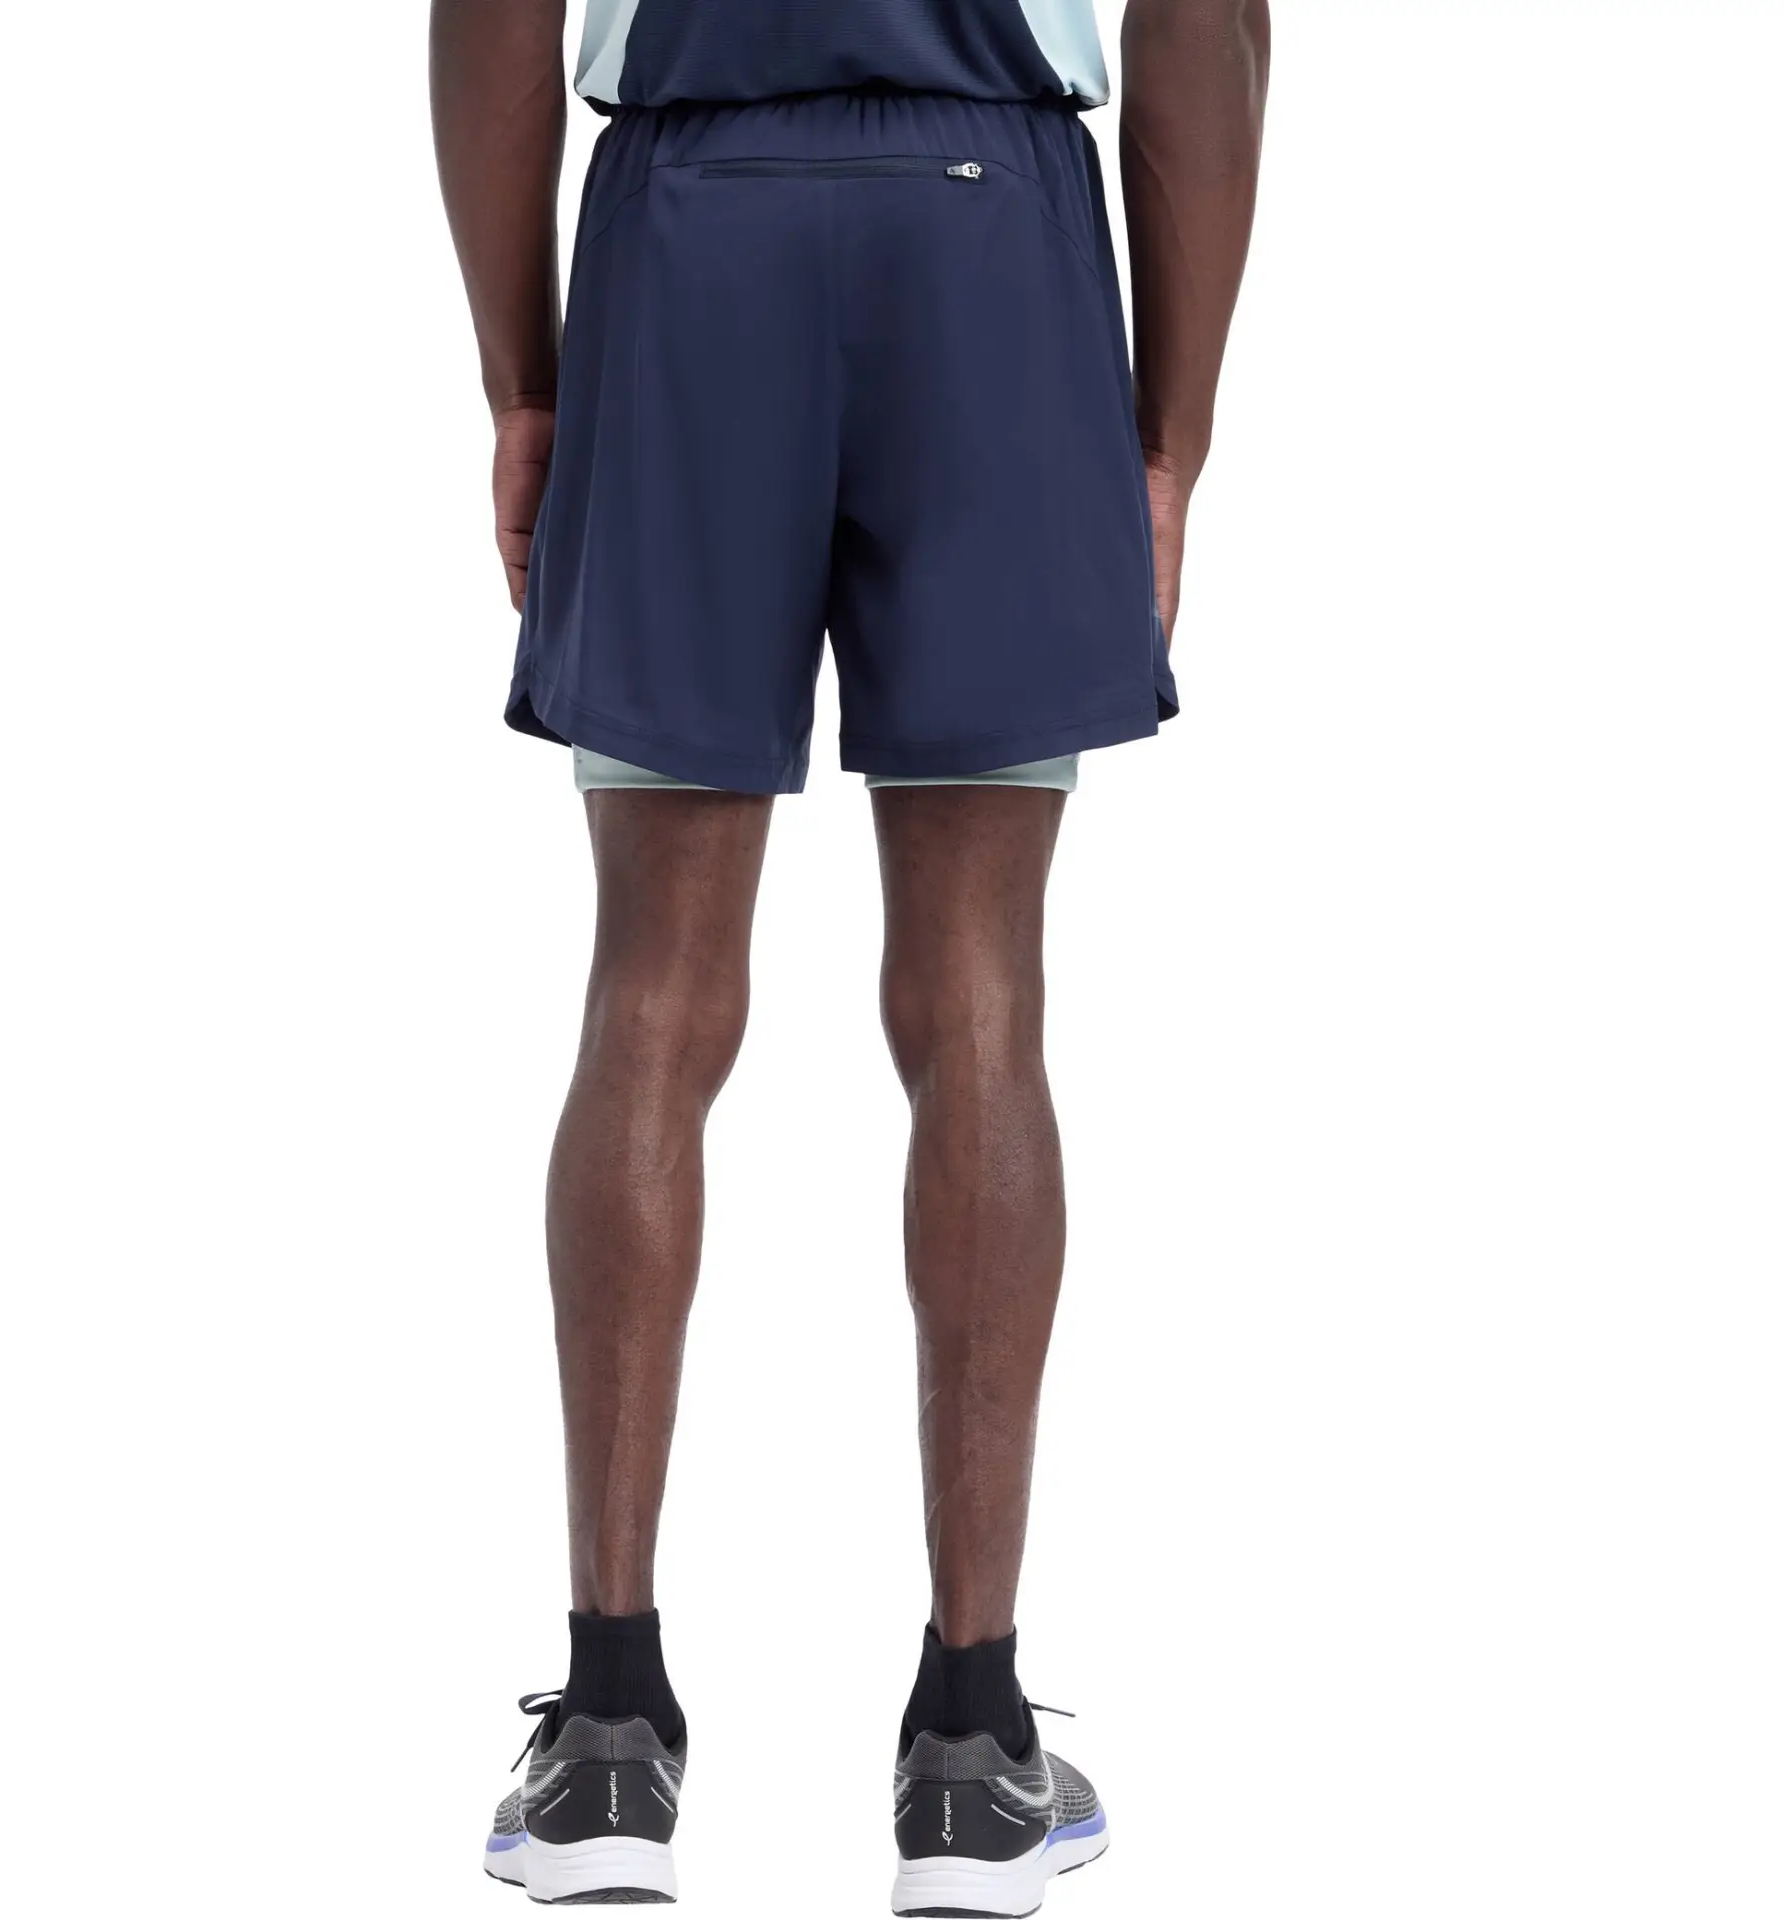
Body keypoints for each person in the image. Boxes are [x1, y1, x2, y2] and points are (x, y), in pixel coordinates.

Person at [431, 1, 1268, 1908]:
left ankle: (610, 1735)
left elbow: (492, 11)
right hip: (992, 242)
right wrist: (1169, 438)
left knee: (652, 992)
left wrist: (525, 389)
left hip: (688, 233)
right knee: (979, 1001)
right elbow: (1205, 19)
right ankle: (972, 1750)